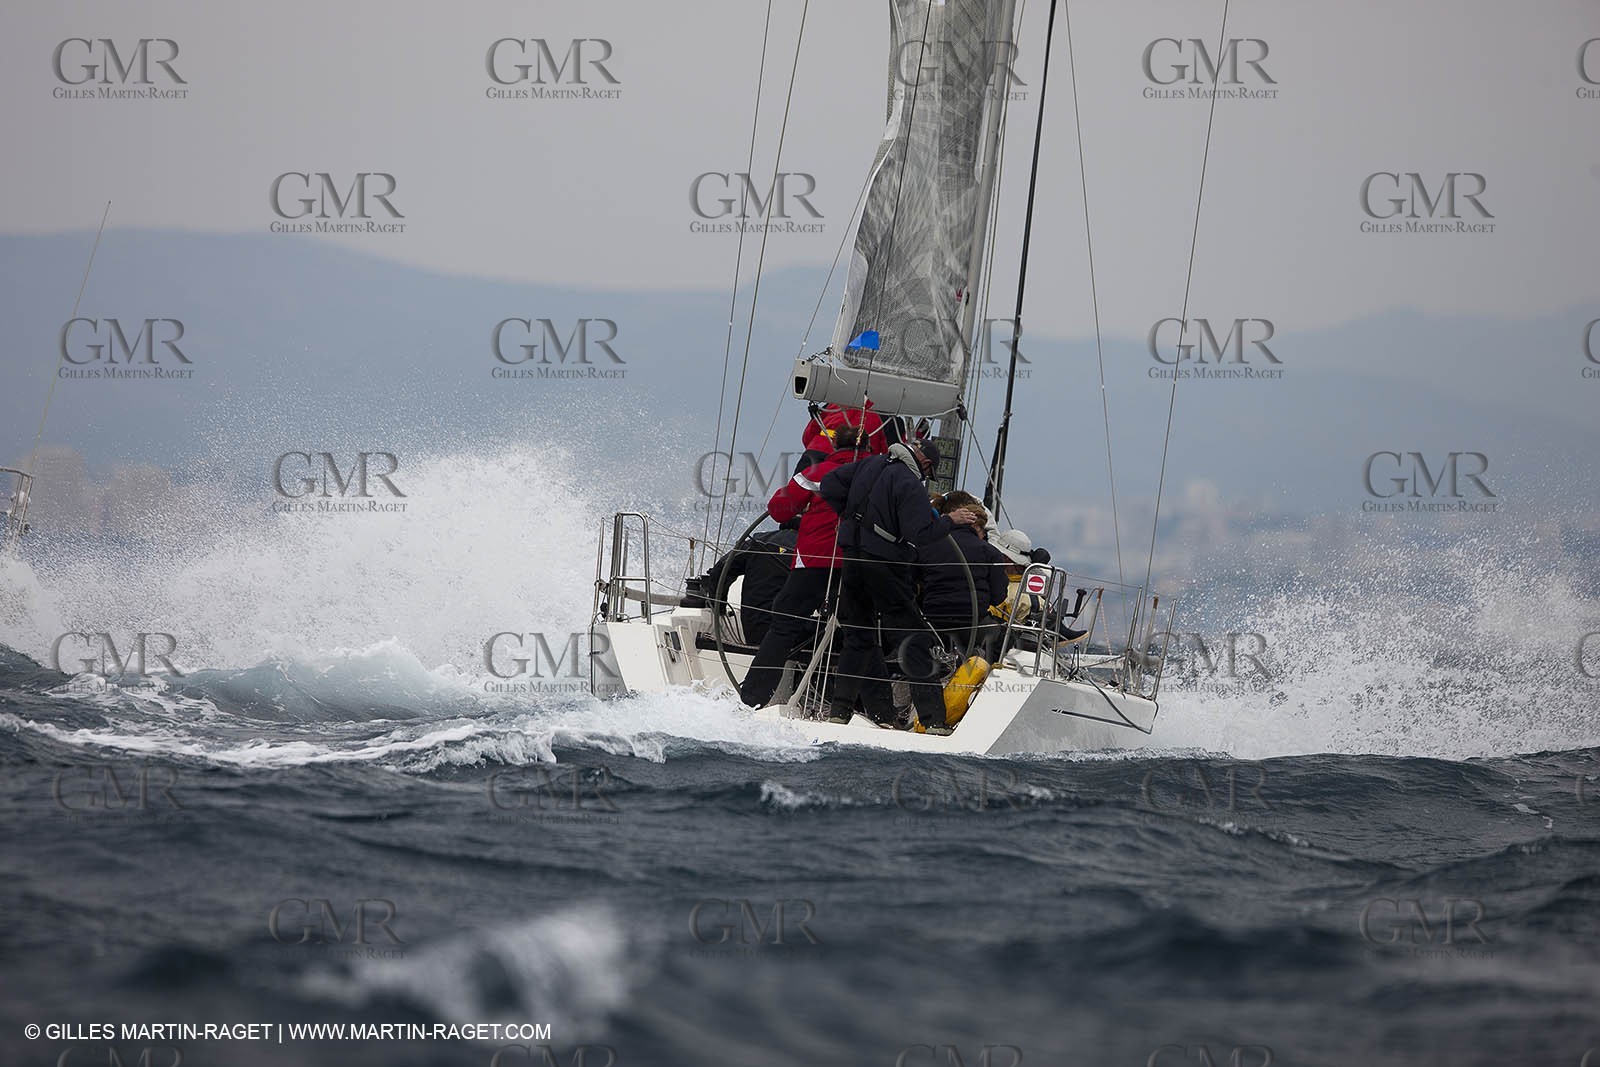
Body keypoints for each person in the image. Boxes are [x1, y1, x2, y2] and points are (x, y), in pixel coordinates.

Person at [818, 440, 979, 733]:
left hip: (852, 558)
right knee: (913, 637)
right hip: (884, 564)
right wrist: (950, 520)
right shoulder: (908, 481)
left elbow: (828, 484)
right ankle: (933, 721)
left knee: (858, 635)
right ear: (925, 464)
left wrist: (853, 517)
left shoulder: (870, 463)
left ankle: (839, 713)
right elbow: (921, 533)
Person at [738, 427, 872, 708]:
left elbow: (778, 510)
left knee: (784, 626)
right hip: (861, 565)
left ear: (834, 444)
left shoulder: (817, 472)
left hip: (815, 561)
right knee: (861, 634)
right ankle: (874, 709)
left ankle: (752, 698)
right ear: (871, 448)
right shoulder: (881, 478)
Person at [918, 492, 1010, 650]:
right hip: (972, 625)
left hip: (933, 624)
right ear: (977, 526)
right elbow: (998, 596)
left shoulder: (927, 547)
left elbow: (917, 585)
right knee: (1007, 640)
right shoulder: (989, 552)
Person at [686, 526, 798, 646]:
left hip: (755, 629)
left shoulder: (758, 542)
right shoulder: (813, 549)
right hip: (795, 635)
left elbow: (721, 570)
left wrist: (718, 604)